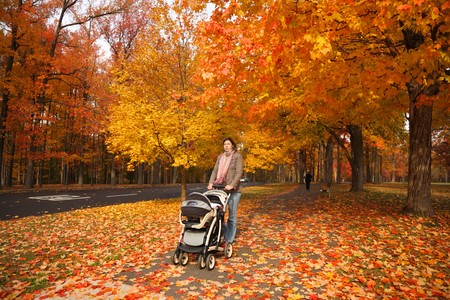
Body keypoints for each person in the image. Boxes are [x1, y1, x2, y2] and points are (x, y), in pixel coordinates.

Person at [208, 137, 243, 247]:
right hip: (220, 189)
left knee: (232, 214)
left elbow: (239, 172)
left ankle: (229, 239)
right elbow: (215, 170)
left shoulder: (237, 156)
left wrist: (232, 185)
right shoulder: (220, 157)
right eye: (224, 144)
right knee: (219, 213)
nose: (226, 146)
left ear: (232, 145)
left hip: (234, 190)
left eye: (228, 144)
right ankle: (222, 234)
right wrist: (211, 183)